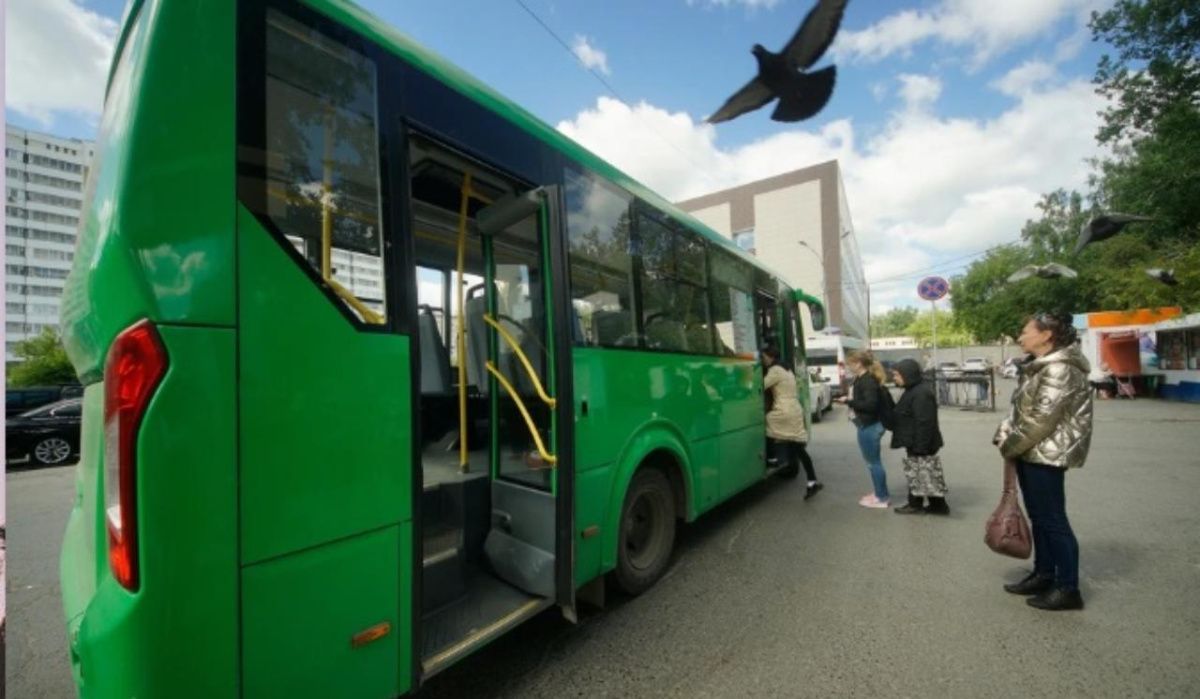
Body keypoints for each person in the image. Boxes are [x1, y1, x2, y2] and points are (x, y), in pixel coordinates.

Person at [993, 312, 1093, 611]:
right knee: (1039, 516)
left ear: (1046, 335)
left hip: (1047, 453)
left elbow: (1041, 420)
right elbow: (1020, 411)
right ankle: (1044, 573)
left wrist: (1009, 446)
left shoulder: (1059, 369)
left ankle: (1068, 588)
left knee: (1053, 520)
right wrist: (1004, 431)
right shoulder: (1038, 368)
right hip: (1032, 450)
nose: (1020, 337)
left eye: (1025, 332)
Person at [888, 359, 949, 515]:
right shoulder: (913, 390)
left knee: (920, 472)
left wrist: (920, 447)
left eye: (896, 375)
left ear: (907, 374)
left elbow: (925, 422)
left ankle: (917, 504)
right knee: (922, 473)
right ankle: (936, 506)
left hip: (922, 442)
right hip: (917, 440)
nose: (894, 378)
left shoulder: (921, 393)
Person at [762, 345, 822, 498]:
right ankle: (812, 481)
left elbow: (761, 385)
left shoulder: (775, 370)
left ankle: (772, 459)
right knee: (798, 448)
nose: (763, 360)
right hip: (795, 409)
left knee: (767, 422)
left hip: (784, 409)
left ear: (769, 357)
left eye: (763, 357)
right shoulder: (788, 369)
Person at [835, 349, 890, 508]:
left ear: (858, 363)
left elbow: (871, 405)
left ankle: (882, 498)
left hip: (869, 425)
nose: (848, 366)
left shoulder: (867, 380)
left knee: (874, 463)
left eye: (850, 363)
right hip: (866, 424)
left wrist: (848, 401)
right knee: (872, 463)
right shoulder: (861, 378)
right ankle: (879, 493)